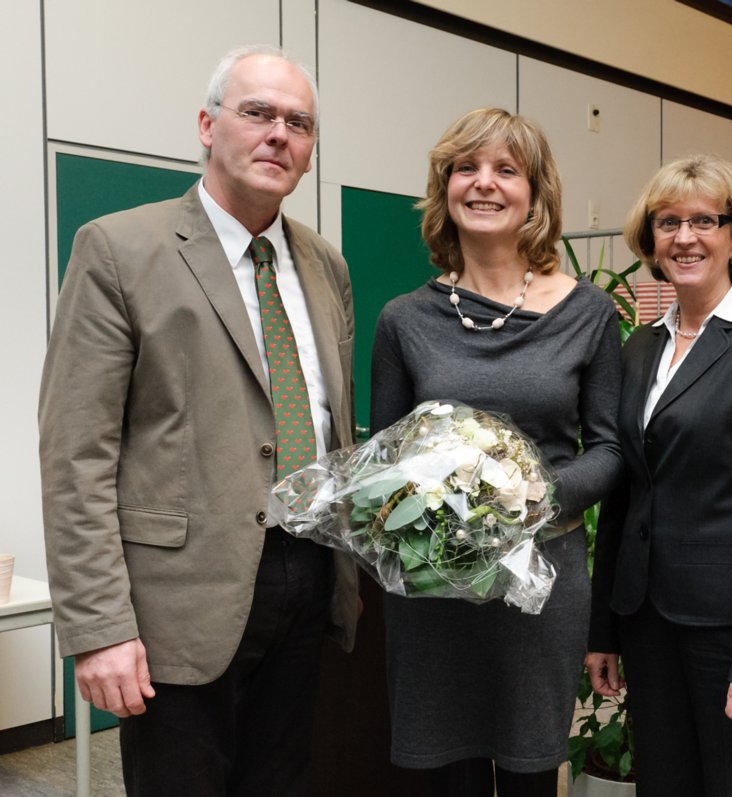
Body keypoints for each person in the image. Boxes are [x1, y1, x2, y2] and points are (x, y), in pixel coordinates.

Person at [38, 45, 358, 795]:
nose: (279, 133)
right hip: (175, 605)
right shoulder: (120, 249)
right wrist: (99, 628)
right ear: (208, 126)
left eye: (299, 122)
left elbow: (330, 427)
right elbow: (75, 452)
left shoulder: (326, 265)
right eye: (258, 113)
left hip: (306, 580)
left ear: (310, 150)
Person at [370, 107, 622, 797]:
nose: (483, 184)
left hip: (540, 582)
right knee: (443, 775)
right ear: (444, 188)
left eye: (506, 170)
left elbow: (608, 448)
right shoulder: (404, 319)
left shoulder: (588, 312)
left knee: (530, 773)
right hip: (434, 591)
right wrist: (432, 500)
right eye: (465, 168)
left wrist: (531, 495)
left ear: (535, 194)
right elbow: (381, 461)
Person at [586, 154, 732, 797]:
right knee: (664, 782)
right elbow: (626, 492)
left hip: (730, 626)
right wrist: (604, 627)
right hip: (646, 619)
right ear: (650, 239)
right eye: (668, 223)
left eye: (704, 221)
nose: (684, 237)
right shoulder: (641, 346)